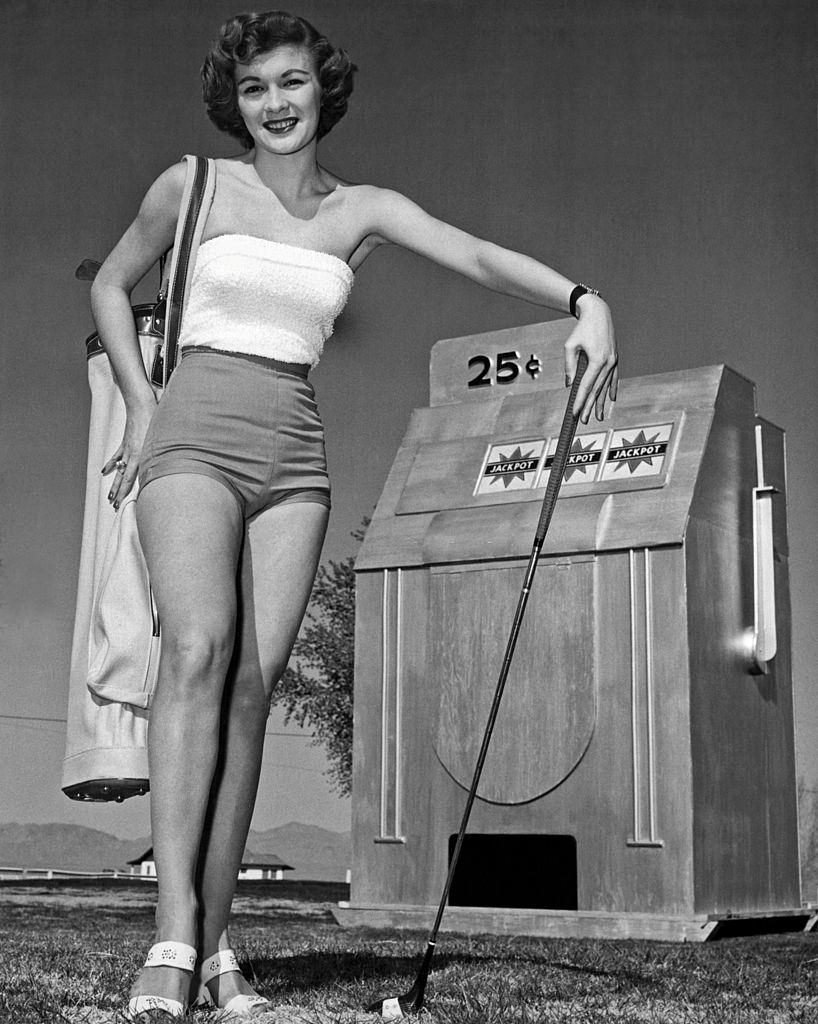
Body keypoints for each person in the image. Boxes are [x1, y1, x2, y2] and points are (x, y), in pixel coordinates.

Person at [91, 9, 618, 1019]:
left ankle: (218, 946)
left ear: (322, 88)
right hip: (192, 433)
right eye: (254, 88)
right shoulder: (191, 186)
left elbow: (471, 253)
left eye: (291, 81)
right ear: (233, 102)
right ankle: (170, 936)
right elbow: (114, 285)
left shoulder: (363, 210)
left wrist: (582, 299)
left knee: (251, 692)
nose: (275, 103)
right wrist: (142, 403)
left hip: (295, 454)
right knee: (197, 651)